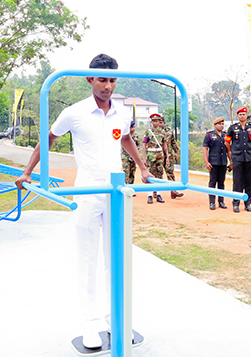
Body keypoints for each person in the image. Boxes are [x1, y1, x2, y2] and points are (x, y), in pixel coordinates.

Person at [14, 54, 151, 348]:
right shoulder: (74, 112)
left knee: (117, 257)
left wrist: (142, 167)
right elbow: (47, 139)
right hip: (88, 187)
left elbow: (126, 139)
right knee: (88, 258)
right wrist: (27, 172)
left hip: (117, 189)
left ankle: (117, 320)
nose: (108, 86)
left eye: (112, 80)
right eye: (102, 80)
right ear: (89, 79)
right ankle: (89, 325)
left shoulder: (122, 112)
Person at [225, 107, 251, 213]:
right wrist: (232, 152)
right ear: (237, 116)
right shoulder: (232, 128)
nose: (242, 116)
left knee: (248, 180)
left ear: (246, 115)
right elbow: (227, 142)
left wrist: (250, 149)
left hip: (248, 157)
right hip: (237, 157)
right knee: (237, 181)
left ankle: (247, 203)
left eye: (244, 114)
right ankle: (236, 203)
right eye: (240, 114)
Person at [202, 117, 228, 210]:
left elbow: (229, 149)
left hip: (223, 162)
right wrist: (206, 162)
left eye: (222, 124)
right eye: (219, 124)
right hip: (213, 162)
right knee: (212, 182)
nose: (221, 126)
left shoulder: (226, 135)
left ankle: (221, 201)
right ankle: (212, 202)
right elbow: (205, 149)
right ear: (215, 125)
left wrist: (231, 161)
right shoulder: (209, 135)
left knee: (221, 182)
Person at [142, 113, 168, 204]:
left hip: (160, 156)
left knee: (159, 175)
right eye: (154, 121)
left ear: (159, 121)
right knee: (149, 175)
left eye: (157, 121)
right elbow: (144, 145)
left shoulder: (162, 132)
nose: (155, 122)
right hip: (150, 156)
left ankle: (159, 195)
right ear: (151, 122)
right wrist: (144, 158)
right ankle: (149, 195)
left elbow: (165, 145)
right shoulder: (148, 132)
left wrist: (167, 157)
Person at [160, 117, 183, 199]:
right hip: (158, 156)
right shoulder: (154, 132)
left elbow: (173, 141)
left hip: (169, 155)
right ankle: (156, 192)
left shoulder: (169, 131)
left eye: (161, 122)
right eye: (158, 122)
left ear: (164, 123)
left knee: (170, 173)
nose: (160, 124)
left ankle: (173, 191)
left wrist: (176, 152)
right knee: (158, 174)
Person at [122, 121, 139, 185]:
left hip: (133, 158)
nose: (133, 129)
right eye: (132, 127)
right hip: (126, 157)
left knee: (132, 173)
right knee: (126, 173)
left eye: (134, 127)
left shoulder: (136, 135)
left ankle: (131, 187)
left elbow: (138, 145)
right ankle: (125, 186)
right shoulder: (124, 135)